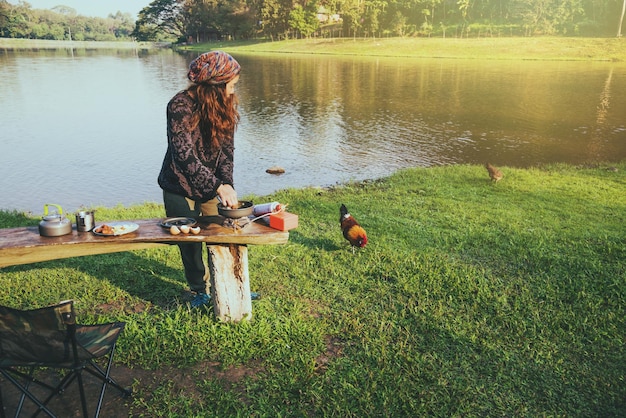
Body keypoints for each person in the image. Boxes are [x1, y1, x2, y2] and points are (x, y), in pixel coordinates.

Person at [158, 51, 241, 308]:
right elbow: (183, 155)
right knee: (189, 240)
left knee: (220, 233)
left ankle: (227, 284)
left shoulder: (224, 105)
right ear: (216, 85)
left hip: (211, 184)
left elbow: (227, 152)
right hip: (178, 184)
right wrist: (217, 185)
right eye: (231, 84)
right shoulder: (179, 105)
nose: (233, 90)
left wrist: (226, 185)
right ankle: (198, 290)